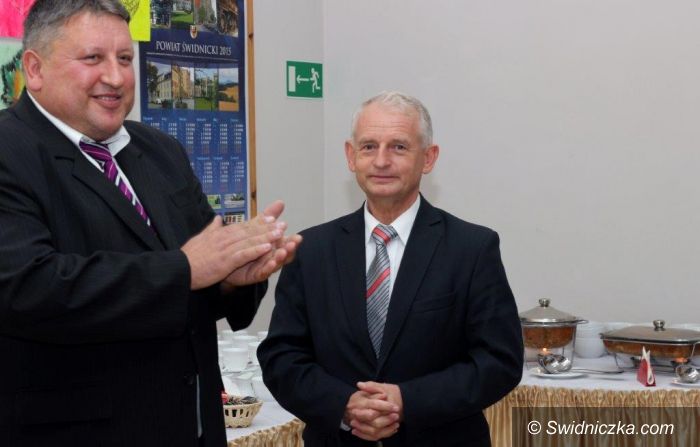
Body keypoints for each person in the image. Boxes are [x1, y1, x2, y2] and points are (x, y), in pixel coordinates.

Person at [0, 1, 301, 446]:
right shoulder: (10, 151)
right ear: (34, 68)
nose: (116, 77)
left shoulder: (160, 150)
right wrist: (187, 269)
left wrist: (231, 277)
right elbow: (28, 287)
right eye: (93, 58)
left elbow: (194, 275)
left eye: (125, 58)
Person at [258, 92, 523, 446]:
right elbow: (282, 358)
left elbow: (499, 362)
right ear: (351, 156)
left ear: (428, 158)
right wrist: (344, 405)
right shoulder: (311, 250)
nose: (381, 161)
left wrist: (407, 400)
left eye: (399, 147)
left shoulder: (472, 248)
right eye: (369, 147)